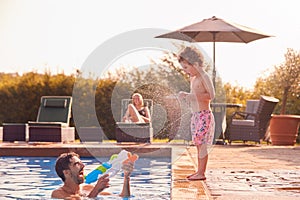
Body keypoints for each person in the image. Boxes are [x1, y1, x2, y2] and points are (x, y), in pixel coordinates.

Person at [177, 46, 215, 181]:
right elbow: (194, 95)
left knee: (202, 142)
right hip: (196, 115)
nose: (185, 71)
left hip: (204, 115)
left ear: (196, 64)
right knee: (198, 143)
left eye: (186, 68)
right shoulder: (193, 78)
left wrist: (191, 96)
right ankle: (199, 171)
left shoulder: (204, 77)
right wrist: (186, 96)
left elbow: (211, 95)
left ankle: (201, 173)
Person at [51, 152, 134, 199]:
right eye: (76, 164)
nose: (83, 166)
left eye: (81, 163)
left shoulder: (87, 188)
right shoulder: (58, 194)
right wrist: (96, 191)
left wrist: (126, 177)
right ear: (66, 172)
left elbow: (123, 196)